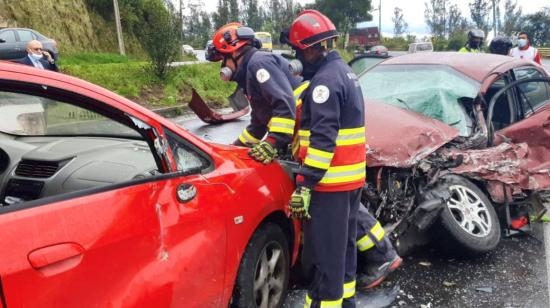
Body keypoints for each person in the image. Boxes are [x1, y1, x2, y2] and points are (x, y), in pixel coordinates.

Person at [286, 10, 401, 308]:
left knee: (324, 252)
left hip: (330, 184)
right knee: (344, 248)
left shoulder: (324, 83)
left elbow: (323, 141)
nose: (298, 57)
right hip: (350, 182)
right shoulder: (346, 73)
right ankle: (345, 300)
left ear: (311, 49)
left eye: (298, 51)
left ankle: (325, 304)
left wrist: (305, 183)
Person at [206, 22, 300, 164]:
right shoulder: (250, 75)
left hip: (311, 136)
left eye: (224, 59)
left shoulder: (258, 64)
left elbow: (284, 105)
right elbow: (258, 124)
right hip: (300, 138)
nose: (224, 66)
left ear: (235, 52)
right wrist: (233, 149)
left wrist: (272, 142)